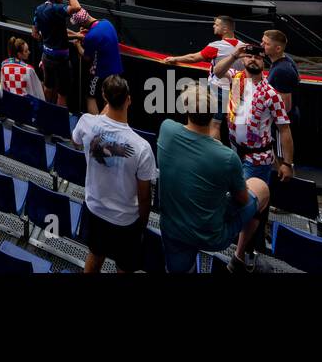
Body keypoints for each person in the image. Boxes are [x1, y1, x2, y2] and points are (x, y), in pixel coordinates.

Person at [156, 80, 271, 273]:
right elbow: (242, 200)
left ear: (186, 108)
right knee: (261, 188)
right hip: (211, 235)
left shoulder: (166, 129)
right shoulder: (226, 157)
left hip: (172, 228)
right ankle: (239, 257)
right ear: (214, 113)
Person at [213, 42, 294, 269]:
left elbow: (284, 129)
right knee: (237, 200)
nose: (253, 60)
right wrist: (234, 55)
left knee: (251, 206)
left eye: (258, 57)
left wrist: (287, 163)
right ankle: (242, 247)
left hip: (257, 160)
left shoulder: (270, 94)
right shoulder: (237, 78)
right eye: (249, 56)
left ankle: (241, 255)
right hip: (234, 153)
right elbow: (217, 71)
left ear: (264, 61)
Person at [70, 75, 157, 273]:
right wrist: (141, 226)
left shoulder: (86, 122)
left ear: (104, 97)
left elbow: (75, 141)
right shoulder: (142, 148)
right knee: (124, 267)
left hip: (94, 209)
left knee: (95, 254)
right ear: (129, 99)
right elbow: (145, 197)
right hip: (126, 221)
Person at [32, 0, 83, 111]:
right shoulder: (57, 9)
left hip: (46, 56)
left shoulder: (39, 9)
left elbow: (35, 33)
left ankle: (45, 117)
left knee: (48, 87)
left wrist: (75, 35)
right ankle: (60, 126)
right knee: (62, 94)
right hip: (61, 60)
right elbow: (77, 7)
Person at [68, 9, 124, 114]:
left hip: (101, 72)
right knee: (108, 99)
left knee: (90, 97)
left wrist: (77, 45)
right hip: (116, 69)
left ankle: (95, 125)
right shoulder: (106, 22)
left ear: (82, 23)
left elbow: (86, 57)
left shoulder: (91, 36)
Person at [262, 29, 298, 116]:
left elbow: (286, 107)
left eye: (266, 44)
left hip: (283, 122)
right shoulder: (285, 60)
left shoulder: (281, 70)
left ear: (278, 48)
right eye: (262, 42)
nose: (261, 45)